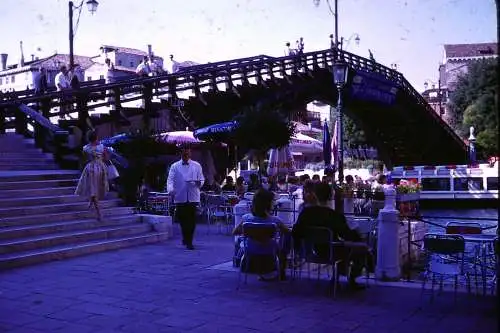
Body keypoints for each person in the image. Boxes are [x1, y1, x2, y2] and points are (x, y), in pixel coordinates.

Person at [292, 182, 371, 290]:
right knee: (361, 248)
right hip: (332, 251)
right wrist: (359, 238)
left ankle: (337, 279)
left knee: (345, 247)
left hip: (312, 250)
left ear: (314, 194)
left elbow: (296, 231)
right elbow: (346, 234)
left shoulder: (305, 213)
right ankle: (350, 279)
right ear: (330, 196)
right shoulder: (334, 216)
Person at [233, 188, 290, 280]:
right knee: (284, 243)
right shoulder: (275, 221)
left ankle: (237, 262)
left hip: (250, 252)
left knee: (241, 241)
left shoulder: (246, 219)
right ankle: (282, 271)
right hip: (270, 252)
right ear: (269, 204)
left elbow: (235, 232)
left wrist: (251, 232)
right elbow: (288, 232)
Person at [167, 146, 205, 250]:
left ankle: (189, 241)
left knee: (192, 220)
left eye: (187, 154)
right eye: (184, 154)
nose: (186, 156)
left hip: (193, 196)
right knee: (183, 220)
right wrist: (170, 190)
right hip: (180, 196)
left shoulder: (197, 165)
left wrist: (199, 183)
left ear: (190, 154)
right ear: (181, 154)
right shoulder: (174, 166)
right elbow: (170, 180)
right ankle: (185, 237)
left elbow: (202, 179)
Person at [75, 131, 109, 221]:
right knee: (95, 189)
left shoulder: (85, 148)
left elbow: (84, 160)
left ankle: (98, 212)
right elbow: (107, 158)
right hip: (101, 168)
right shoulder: (102, 147)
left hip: (90, 169)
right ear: (97, 137)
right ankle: (96, 209)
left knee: (93, 189)